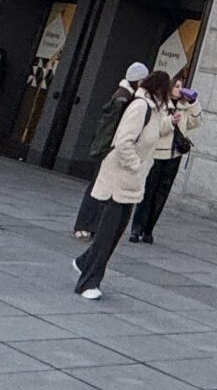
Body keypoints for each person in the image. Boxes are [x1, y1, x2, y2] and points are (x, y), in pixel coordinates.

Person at [73, 69, 175, 299]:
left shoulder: (154, 109)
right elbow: (123, 142)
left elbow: (153, 133)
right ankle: (88, 282)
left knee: (115, 234)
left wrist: (170, 122)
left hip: (132, 183)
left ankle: (84, 262)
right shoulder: (140, 106)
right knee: (106, 235)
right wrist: (135, 165)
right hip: (118, 179)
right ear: (160, 89)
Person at [72, 63, 149, 236]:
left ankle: (89, 225)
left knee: (100, 187)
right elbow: (111, 127)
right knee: (97, 188)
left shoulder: (126, 95)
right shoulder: (124, 98)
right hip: (109, 148)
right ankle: (84, 225)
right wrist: (108, 149)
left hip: (109, 147)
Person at [128, 80, 202, 244]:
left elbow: (196, 122)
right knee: (148, 192)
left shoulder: (183, 107)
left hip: (174, 155)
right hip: (157, 154)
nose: (179, 89)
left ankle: (148, 230)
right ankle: (136, 228)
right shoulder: (160, 106)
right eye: (176, 86)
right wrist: (170, 122)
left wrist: (193, 102)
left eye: (181, 86)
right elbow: (155, 129)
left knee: (162, 194)